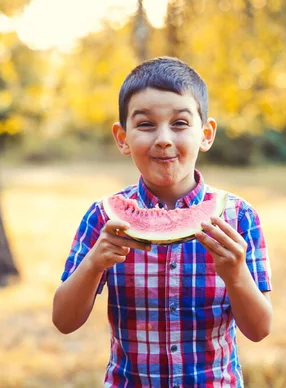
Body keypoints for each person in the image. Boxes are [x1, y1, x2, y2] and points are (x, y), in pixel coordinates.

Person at [52, 56, 272, 387]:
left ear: (206, 134)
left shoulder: (238, 218)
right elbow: (64, 321)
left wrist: (236, 275)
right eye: (145, 124)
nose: (164, 139)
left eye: (180, 123)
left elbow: (259, 330)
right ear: (122, 137)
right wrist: (94, 263)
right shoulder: (103, 217)